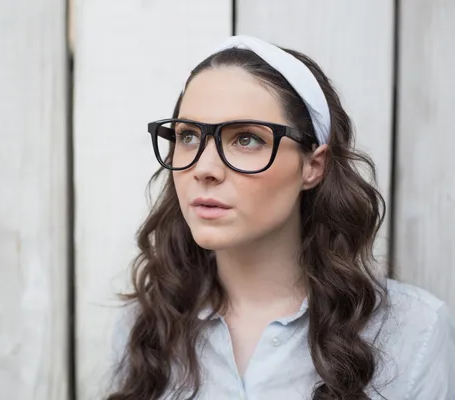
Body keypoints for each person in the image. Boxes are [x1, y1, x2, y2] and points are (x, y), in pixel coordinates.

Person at [105, 35, 455, 400]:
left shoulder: (413, 333)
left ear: (312, 166)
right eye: (189, 136)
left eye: (246, 139)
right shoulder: (146, 327)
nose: (205, 169)